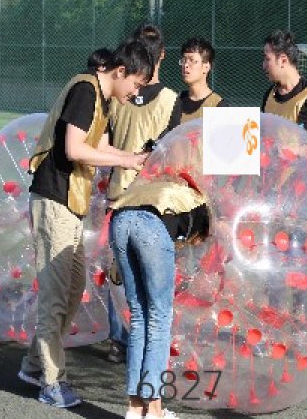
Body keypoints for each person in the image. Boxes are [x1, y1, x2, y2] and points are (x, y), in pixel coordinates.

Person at [17, 40, 153, 408]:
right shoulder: (85, 90)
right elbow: (75, 149)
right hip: (54, 199)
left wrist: (133, 158)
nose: (136, 93)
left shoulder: (104, 100)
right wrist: (125, 160)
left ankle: (34, 365)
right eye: (136, 84)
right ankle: (51, 382)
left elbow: (102, 148)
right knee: (55, 296)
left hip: (70, 204)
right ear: (120, 71)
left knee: (74, 289)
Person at [105, 24, 181, 363]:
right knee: (145, 299)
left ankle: (125, 346)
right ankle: (141, 360)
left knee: (129, 289)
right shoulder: (159, 98)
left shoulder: (165, 99)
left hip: (132, 199)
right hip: (144, 203)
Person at [109, 174, 210, 419]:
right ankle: (154, 409)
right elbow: (194, 241)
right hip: (151, 225)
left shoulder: (160, 189)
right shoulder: (201, 206)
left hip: (119, 218)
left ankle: (134, 408)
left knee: (138, 317)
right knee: (159, 319)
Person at [261, 30, 307, 155]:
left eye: (267, 59)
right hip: (275, 168)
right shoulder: (269, 96)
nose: (263, 65)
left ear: (283, 60)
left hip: (305, 168)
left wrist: (293, 150)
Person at [178, 37, 225, 123]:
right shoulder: (175, 102)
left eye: (192, 60)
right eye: (184, 60)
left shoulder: (218, 106)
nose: (186, 65)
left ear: (206, 67)